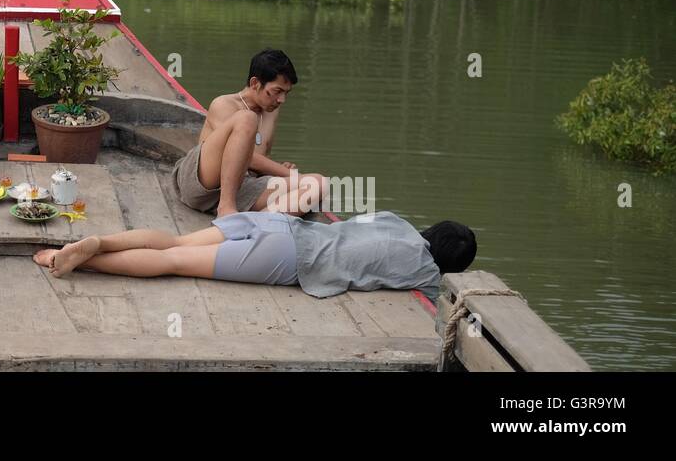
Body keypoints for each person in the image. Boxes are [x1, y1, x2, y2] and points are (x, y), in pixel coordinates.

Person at [32, 212, 476, 303]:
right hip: (288, 254)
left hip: (278, 223)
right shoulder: (425, 271)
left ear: (431, 230)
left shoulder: (395, 221)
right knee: (175, 265)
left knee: (175, 242)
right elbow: (439, 298)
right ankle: (80, 261)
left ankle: (95, 243)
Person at [171, 48, 330, 217]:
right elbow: (249, 158)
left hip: (242, 186)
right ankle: (226, 211)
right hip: (200, 186)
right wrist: (288, 173)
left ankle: (261, 227)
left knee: (318, 183)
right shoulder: (223, 104)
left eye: (286, 93)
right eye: (277, 91)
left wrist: (276, 170)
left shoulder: (270, 112)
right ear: (255, 83)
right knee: (247, 118)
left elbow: (258, 160)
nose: (282, 100)